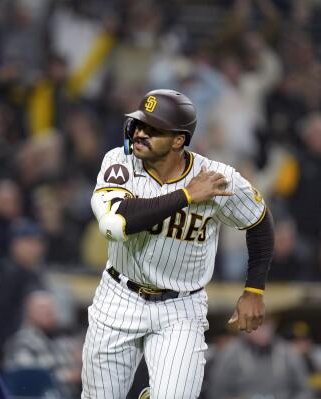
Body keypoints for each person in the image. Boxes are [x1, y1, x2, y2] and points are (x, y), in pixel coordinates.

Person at [82, 89, 275, 399]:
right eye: (139, 125)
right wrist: (186, 196)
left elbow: (260, 223)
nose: (140, 133)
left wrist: (254, 290)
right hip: (120, 296)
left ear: (178, 140)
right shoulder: (119, 161)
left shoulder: (216, 178)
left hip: (181, 306)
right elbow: (114, 225)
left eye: (153, 129)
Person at [207, 316, 311, 399]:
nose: (263, 330)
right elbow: (216, 390)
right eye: (256, 325)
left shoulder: (288, 353)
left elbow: (305, 389)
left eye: (267, 325)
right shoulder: (229, 354)